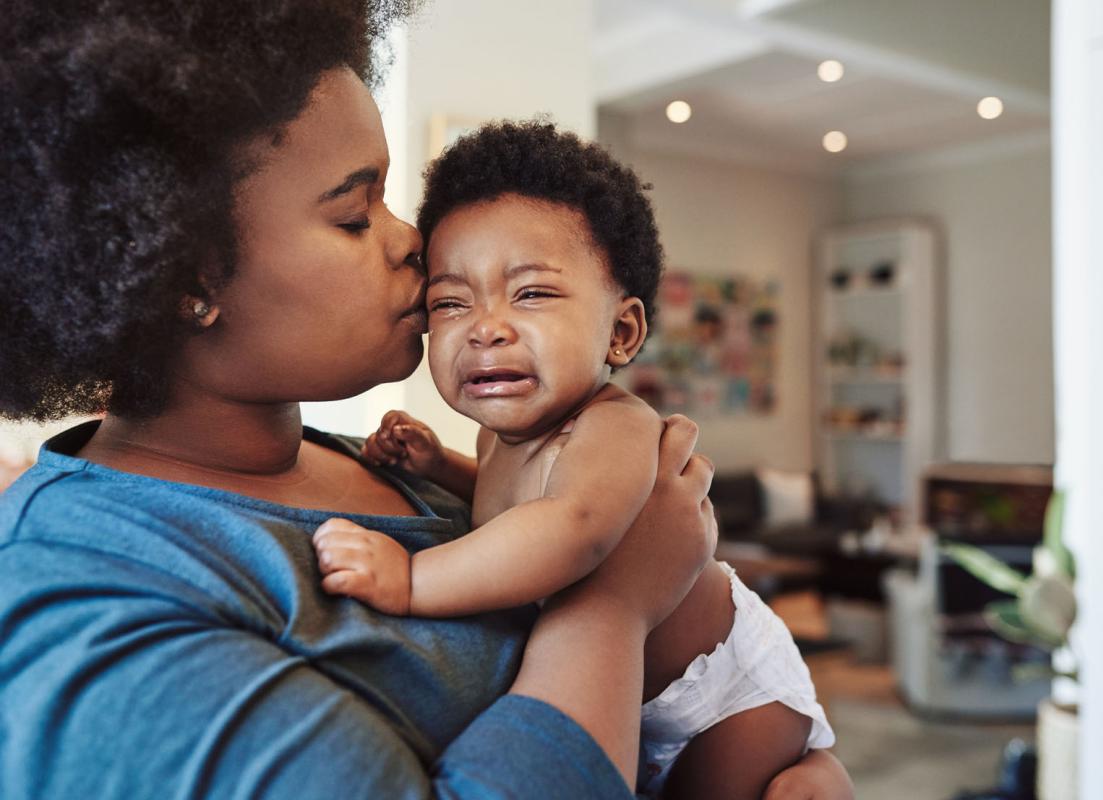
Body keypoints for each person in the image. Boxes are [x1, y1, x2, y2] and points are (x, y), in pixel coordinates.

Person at [0, 1, 854, 798]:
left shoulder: (362, 461)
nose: (413, 240)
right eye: (353, 211)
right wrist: (615, 602)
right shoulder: (89, 603)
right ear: (183, 276)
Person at [311, 121, 836, 799]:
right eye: (449, 301)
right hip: (625, 694)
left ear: (621, 332)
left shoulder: (614, 426)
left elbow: (573, 530)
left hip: (725, 691)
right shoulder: (497, 437)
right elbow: (515, 509)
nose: (486, 325)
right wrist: (439, 465)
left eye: (531, 293)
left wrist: (412, 577)